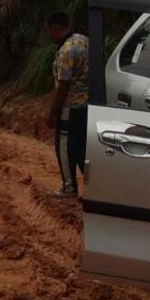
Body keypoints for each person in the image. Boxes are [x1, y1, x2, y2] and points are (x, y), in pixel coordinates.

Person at [46, 12, 89, 198]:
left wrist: (52, 113)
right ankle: (95, 186)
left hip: (70, 107)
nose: (49, 35)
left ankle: (69, 186)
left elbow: (63, 86)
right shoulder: (83, 40)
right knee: (82, 149)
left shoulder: (65, 52)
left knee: (63, 147)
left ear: (55, 28)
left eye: (49, 31)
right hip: (87, 105)